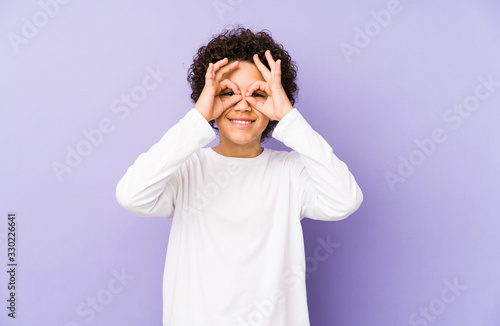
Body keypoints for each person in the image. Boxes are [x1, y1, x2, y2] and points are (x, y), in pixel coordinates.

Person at [115, 26, 363, 326]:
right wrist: (197, 118)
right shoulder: (186, 169)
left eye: (258, 93)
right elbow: (132, 195)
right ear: (208, 97)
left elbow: (345, 201)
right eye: (227, 93)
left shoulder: (292, 172)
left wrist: (289, 118)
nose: (243, 104)